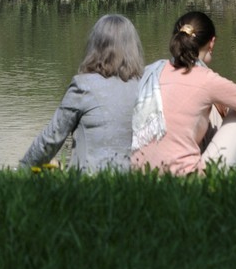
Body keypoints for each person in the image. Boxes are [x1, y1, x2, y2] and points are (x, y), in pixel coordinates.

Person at [131, 9, 236, 174]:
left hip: (141, 174)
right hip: (188, 181)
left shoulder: (151, 71)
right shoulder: (205, 78)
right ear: (212, 43)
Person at [20, 14, 145, 173]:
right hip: (132, 181)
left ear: (96, 46)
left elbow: (51, 138)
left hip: (89, 182)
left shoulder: (84, 86)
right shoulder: (143, 87)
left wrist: (22, 170)